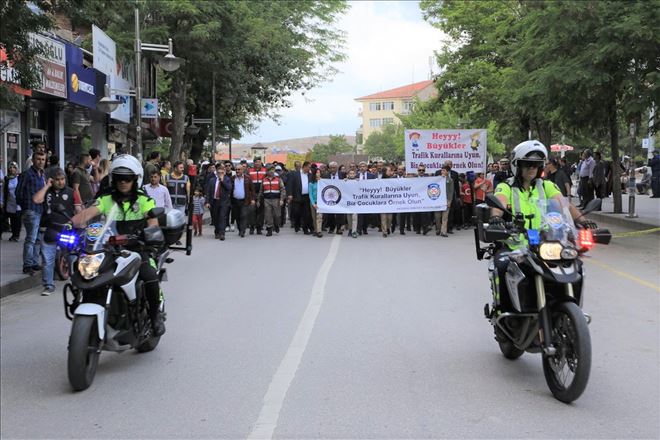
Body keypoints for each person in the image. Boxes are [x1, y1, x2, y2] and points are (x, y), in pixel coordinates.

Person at [70, 154, 166, 336]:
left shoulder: (144, 201)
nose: (123, 182)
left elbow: (152, 220)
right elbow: (88, 213)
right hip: (110, 248)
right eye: (119, 178)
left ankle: (155, 317)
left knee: (150, 276)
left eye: (127, 178)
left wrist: (151, 233)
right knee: (85, 271)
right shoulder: (107, 199)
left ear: (135, 179)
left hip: (137, 248)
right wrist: (69, 224)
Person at [489, 140, 591, 311]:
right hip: (516, 243)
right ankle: (504, 312)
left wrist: (583, 221)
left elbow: (565, 205)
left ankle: (572, 310)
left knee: (576, 265)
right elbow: (499, 202)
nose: (532, 169)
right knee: (502, 265)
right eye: (528, 165)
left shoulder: (546, 185)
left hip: (547, 242)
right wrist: (496, 218)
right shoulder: (506, 186)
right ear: (517, 166)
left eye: (536, 165)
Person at [32, 168, 82, 295]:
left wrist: (80, 225)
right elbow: (36, 200)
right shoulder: (47, 192)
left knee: (72, 257)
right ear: (52, 180)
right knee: (47, 260)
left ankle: (76, 283)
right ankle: (48, 285)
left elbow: (79, 210)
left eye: (62, 179)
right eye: (57, 180)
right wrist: (47, 186)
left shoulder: (72, 192)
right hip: (49, 230)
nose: (60, 182)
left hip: (67, 230)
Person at [16, 150, 46, 274]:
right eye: (38, 159)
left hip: (40, 210)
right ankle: (27, 265)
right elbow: (18, 192)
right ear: (33, 160)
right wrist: (25, 207)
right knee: (31, 238)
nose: (41, 162)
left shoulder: (42, 174)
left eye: (43, 159)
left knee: (38, 238)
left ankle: (34, 262)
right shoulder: (27, 174)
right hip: (30, 210)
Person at [205, 164, 232, 240]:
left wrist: (222, 180)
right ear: (216, 172)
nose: (220, 172)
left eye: (222, 171)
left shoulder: (227, 179)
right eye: (219, 171)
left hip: (224, 202)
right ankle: (217, 231)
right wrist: (207, 202)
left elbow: (229, 188)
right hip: (214, 201)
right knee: (215, 218)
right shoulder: (212, 180)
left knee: (222, 217)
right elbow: (208, 192)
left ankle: (222, 233)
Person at [287, 161, 313, 234]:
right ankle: (297, 225)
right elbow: (290, 184)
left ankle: (305, 229)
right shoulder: (295, 174)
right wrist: (290, 194)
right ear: (304, 167)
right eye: (309, 167)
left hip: (307, 197)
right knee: (296, 212)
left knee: (306, 214)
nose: (309, 169)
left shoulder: (310, 175)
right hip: (297, 196)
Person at [259, 164, 286, 236]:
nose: (271, 171)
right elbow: (261, 191)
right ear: (267, 171)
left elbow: (283, 190)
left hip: (276, 200)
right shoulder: (264, 180)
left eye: (272, 170)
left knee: (277, 215)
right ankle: (269, 229)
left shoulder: (278, 179)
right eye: (269, 170)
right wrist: (258, 201)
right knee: (268, 215)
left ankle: (276, 225)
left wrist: (282, 199)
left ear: (274, 170)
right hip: (267, 200)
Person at [231, 164, 255, 238]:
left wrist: (253, 199)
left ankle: (242, 231)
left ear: (243, 170)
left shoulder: (248, 178)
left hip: (245, 200)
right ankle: (240, 229)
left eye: (239, 169)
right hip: (235, 200)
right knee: (237, 216)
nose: (237, 171)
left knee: (243, 215)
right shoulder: (232, 178)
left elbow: (252, 190)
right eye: (236, 169)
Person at [2, 162, 22, 241]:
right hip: (10, 202)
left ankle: (16, 235)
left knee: (17, 219)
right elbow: (4, 190)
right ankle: (13, 234)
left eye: (14, 167)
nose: (12, 169)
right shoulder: (7, 179)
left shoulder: (19, 178)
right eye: (10, 167)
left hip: (18, 202)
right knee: (12, 219)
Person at [433, 165, 454, 237]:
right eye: (442, 170)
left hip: (446, 201)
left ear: (447, 172)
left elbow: (451, 191)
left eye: (444, 170)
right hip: (438, 201)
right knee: (437, 217)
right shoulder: (437, 179)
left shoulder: (450, 180)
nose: (442, 171)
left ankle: (443, 232)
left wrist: (449, 201)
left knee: (445, 217)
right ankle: (438, 229)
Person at [248, 157, 267, 234]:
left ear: (261, 163)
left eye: (259, 162)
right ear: (254, 163)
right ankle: (252, 227)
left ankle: (259, 228)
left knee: (261, 211)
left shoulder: (265, 171)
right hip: (252, 194)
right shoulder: (249, 171)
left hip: (261, 194)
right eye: (256, 162)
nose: (257, 163)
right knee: (252, 211)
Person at [379, 165, 395, 237]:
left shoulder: (392, 180)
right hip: (382, 201)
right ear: (385, 172)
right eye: (389, 171)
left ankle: (388, 227)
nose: (390, 172)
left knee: (389, 218)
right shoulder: (380, 180)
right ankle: (384, 231)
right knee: (383, 217)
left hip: (390, 201)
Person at [308, 167, 323, 238]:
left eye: (319, 172)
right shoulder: (311, 183)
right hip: (313, 202)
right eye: (317, 172)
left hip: (321, 202)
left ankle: (319, 231)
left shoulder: (323, 182)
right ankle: (315, 230)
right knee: (314, 217)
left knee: (319, 217)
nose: (318, 174)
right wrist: (313, 203)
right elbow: (310, 194)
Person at [344, 169, 359, 238]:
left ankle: (354, 231)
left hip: (355, 202)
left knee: (355, 216)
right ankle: (350, 229)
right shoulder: (345, 181)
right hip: (347, 201)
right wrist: (344, 181)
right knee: (349, 217)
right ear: (348, 174)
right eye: (350, 173)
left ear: (355, 174)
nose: (352, 175)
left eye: (353, 173)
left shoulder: (358, 181)